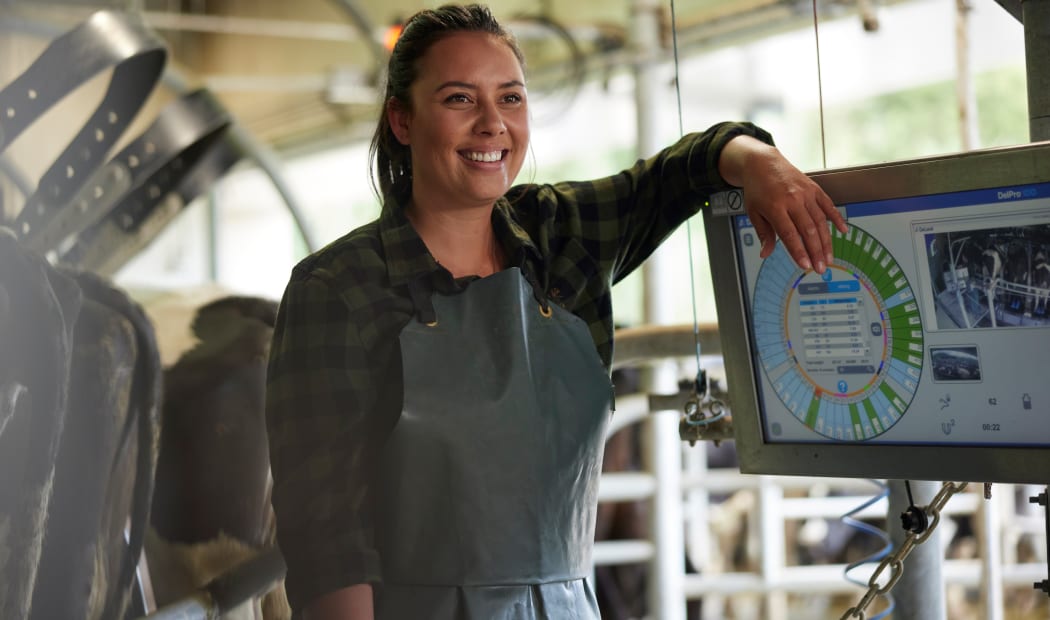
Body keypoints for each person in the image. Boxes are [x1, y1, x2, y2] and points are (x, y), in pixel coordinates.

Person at [264, 4, 847, 619]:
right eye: (460, 99)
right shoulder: (337, 288)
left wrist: (761, 162)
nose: (493, 125)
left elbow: (685, 170)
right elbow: (328, 543)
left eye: (510, 99)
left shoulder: (559, 239)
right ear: (403, 120)